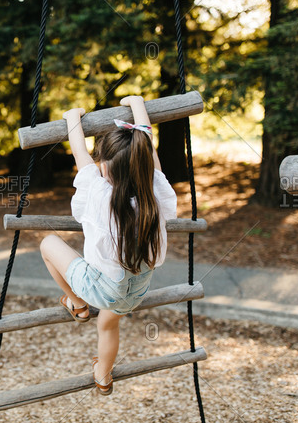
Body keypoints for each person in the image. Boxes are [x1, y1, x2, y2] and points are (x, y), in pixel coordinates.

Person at [40, 95, 177, 395]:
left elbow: (80, 154)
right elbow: (148, 147)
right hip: (136, 289)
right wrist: (138, 104)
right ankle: (103, 374)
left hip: (103, 288)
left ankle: (76, 302)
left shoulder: (99, 192)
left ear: (104, 166)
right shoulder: (154, 190)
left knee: (48, 244)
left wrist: (73, 118)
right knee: (108, 324)